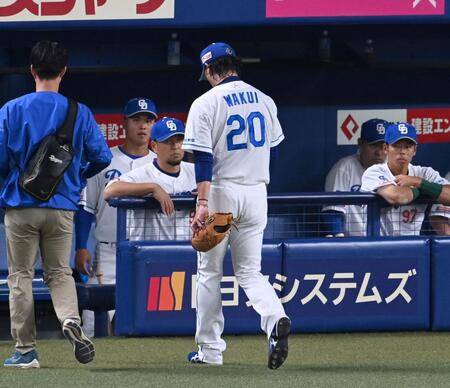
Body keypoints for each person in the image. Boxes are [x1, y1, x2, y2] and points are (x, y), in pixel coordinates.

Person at [0, 41, 112, 368]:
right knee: (60, 273)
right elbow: (102, 157)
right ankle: (69, 320)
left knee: (20, 276)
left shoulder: (11, 109)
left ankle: (25, 351)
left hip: (20, 204)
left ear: (32, 70)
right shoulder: (80, 111)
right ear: (64, 71)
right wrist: (74, 176)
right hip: (62, 206)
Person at [182, 42, 290, 369]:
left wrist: (202, 203)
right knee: (249, 271)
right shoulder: (264, 99)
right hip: (257, 193)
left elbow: (202, 158)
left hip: (222, 193)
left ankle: (210, 352)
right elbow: (274, 148)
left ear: (210, 70)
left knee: (209, 273)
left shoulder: (206, 102)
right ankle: (275, 319)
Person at [74, 98, 158, 337]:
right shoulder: (103, 160)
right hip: (109, 249)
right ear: (124, 124)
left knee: (148, 319)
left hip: (148, 249)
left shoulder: (159, 163)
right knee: (91, 323)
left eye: (148, 120)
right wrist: (81, 246)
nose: (143, 126)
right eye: (137, 119)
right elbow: (86, 207)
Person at [103, 117, 196, 240]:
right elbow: (109, 191)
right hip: (148, 252)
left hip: (186, 249)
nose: (175, 146)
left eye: (179, 140)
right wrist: (153, 188)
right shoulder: (142, 174)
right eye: (168, 141)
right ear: (155, 146)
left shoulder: (196, 171)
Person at [361, 122, 450, 236]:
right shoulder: (374, 172)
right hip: (378, 244)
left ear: (414, 150)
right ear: (386, 148)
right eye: (396, 145)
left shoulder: (424, 173)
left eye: (407, 146)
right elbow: (397, 197)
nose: (402, 151)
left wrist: (419, 182)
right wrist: (425, 189)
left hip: (412, 244)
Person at [323, 118, 388, 236]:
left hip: (386, 243)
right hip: (352, 242)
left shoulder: (394, 169)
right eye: (373, 145)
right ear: (360, 144)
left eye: (383, 146)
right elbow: (333, 212)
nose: (379, 152)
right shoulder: (344, 169)